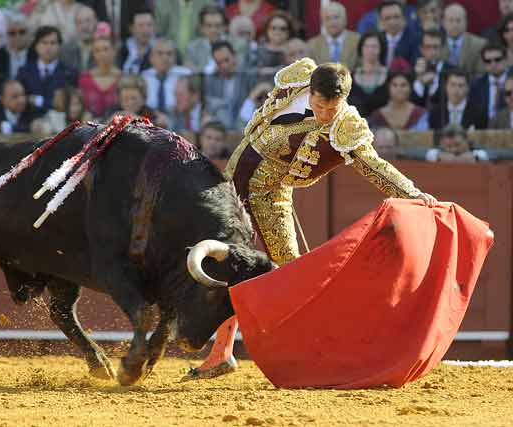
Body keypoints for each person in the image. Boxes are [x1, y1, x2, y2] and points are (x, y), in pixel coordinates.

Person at [186, 58, 437, 380]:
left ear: (342, 100)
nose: (323, 116)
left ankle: (326, 348)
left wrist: (412, 193)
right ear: (311, 91)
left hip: (267, 197)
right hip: (231, 188)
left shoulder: (345, 125)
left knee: (290, 272)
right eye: (319, 106)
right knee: (230, 268)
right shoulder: (297, 79)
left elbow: (373, 166)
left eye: (330, 110)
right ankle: (221, 353)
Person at [78, 29, 121, 120]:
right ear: (93, 54)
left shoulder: (122, 78)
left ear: (114, 51)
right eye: (97, 50)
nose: (102, 54)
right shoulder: (84, 79)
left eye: (106, 49)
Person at [307, 2, 360, 70]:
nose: (332, 22)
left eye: (336, 17)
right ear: (323, 21)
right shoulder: (312, 45)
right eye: (328, 18)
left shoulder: (358, 41)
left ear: (345, 19)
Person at [424, 124, 489, 163]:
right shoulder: (437, 152)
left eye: (457, 145)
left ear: (466, 141)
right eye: (449, 146)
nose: (453, 150)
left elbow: (487, 155)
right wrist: (438, 156)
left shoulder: (477, 152)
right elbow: (427, 153)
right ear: (442, 144)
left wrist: (476, 157)